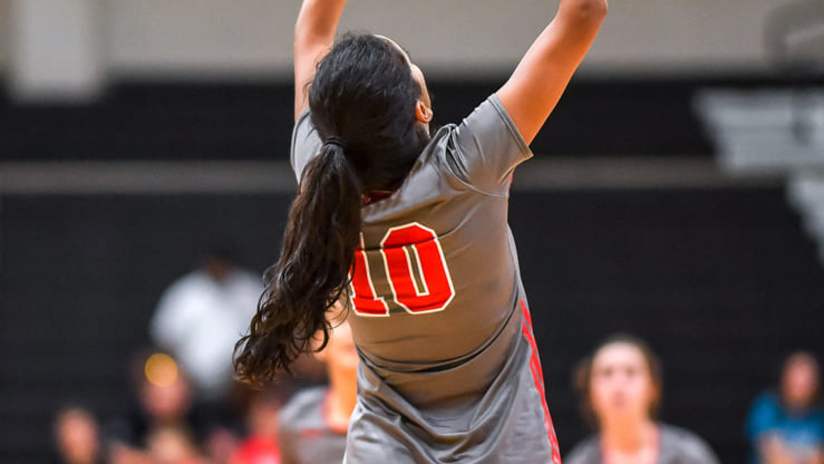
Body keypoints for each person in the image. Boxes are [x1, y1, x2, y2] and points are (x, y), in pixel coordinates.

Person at [234, 0, 607, 462]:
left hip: (385, 446)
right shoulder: (468, 165)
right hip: (504, 440)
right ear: (422, 106)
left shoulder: (319, 177)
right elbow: (586, 12)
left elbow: (311, 30)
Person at [566, 334, 719, 464]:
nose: (618, 383)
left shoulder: (689, 455)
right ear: (589, 392)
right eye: (607, 373)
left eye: (631, 372)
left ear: (653, 387)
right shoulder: (580, 460)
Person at [151, 247, 262, 400]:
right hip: (190, 384)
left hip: (241, 386)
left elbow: (265, 335)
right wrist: (184, 374)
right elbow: (165, 339)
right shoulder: (186, 292)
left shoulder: (248, 290)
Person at [278, 312, 356, 464]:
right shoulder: (295, 419)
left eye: (359, 320)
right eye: (340, 318)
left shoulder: (401, 415)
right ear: (319, 341)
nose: (351, 330)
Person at [747, 352, 824, 464]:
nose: (801, 385)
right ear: (784, 378)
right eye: (796, 378)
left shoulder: (819, 417)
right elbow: (774, 458)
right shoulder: (767, 407)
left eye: (806, 380)